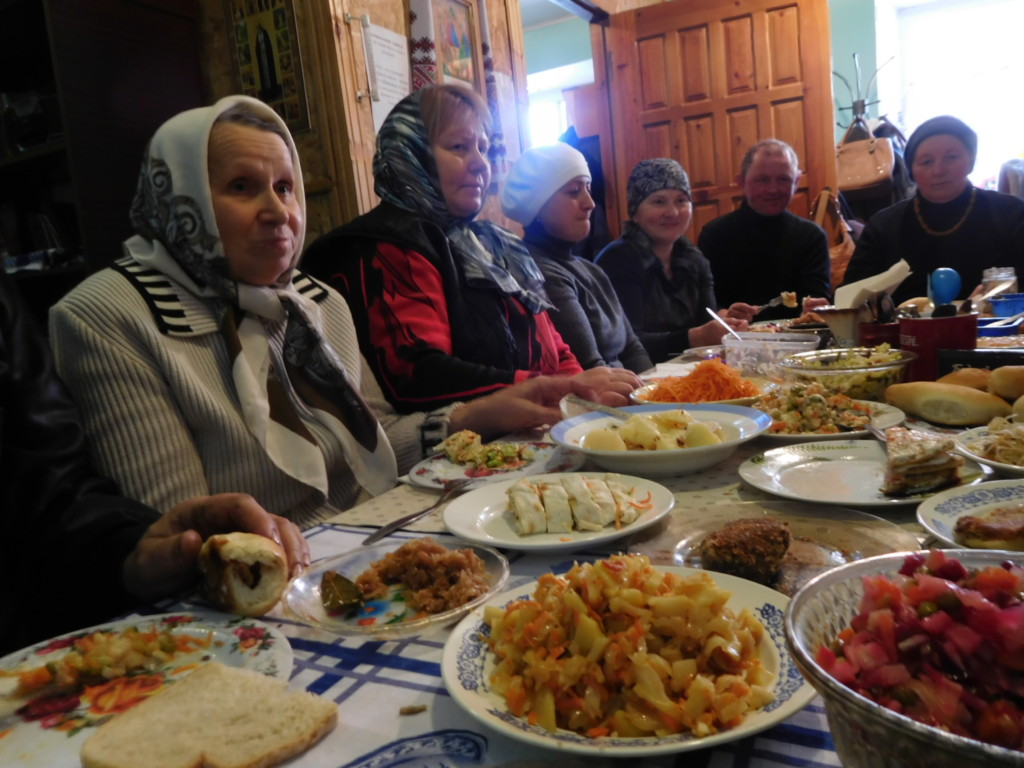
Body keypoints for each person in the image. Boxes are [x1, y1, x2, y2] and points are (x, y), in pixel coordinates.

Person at [49, 95, 612, 530]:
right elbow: (186, 528)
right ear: (182, 199)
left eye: (286, 187)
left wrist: (478, 414)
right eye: (242, 187)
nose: (278, 211)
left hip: (378, 532)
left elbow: (377, 436)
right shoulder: (110, 316)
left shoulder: (316, 301)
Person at [1, 271, 308, 655]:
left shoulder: (310, 295)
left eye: (294, 203)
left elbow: (50, 495)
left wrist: (130, 555)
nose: (279, 213)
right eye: (245, 203)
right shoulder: (105, 311)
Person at [300, 84, 640, 413]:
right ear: (411, 152)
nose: (480, 163)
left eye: (484, 148)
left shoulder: (491, 243)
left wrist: (578, 391)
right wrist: (555, 389)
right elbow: (419, 375)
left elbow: (554, 345)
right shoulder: (386, 245)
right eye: (460, 147)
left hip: (529, 430)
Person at [500, 143, 652, 373]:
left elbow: (632, 348)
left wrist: (657, 396)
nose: (590, 203)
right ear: (536, 206)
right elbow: (591, 368)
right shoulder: (539, 273)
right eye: (574, 191)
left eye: (588, 189)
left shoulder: (592, 270)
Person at [842, 115, 1024, 305]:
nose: (938, 170)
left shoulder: (1011, 213)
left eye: (951, 157)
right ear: (912, 170)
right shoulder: (884, 225)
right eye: (926, 162)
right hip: (903, 333)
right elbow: (851, 299)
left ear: (970, 161)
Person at [595, 158, 756, 364]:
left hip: (691, 371)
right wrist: (695, 337)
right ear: (635, 212)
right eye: (659, 201)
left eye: (681, 200)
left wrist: (725, 319)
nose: (672, 212)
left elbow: (706, 322)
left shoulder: (694, 258)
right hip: (638, 378)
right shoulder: (617, 261)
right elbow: (626, 346)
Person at [698, 139, 831, 319]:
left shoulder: (811, 236)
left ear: (797, 182)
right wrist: (724, 314)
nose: (773, 189)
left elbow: (815, 296)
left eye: (784, 179)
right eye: (763, 180)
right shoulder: (715, 235)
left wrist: (816, 308)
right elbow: (707, 304)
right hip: (735, 341)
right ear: (741, 182)